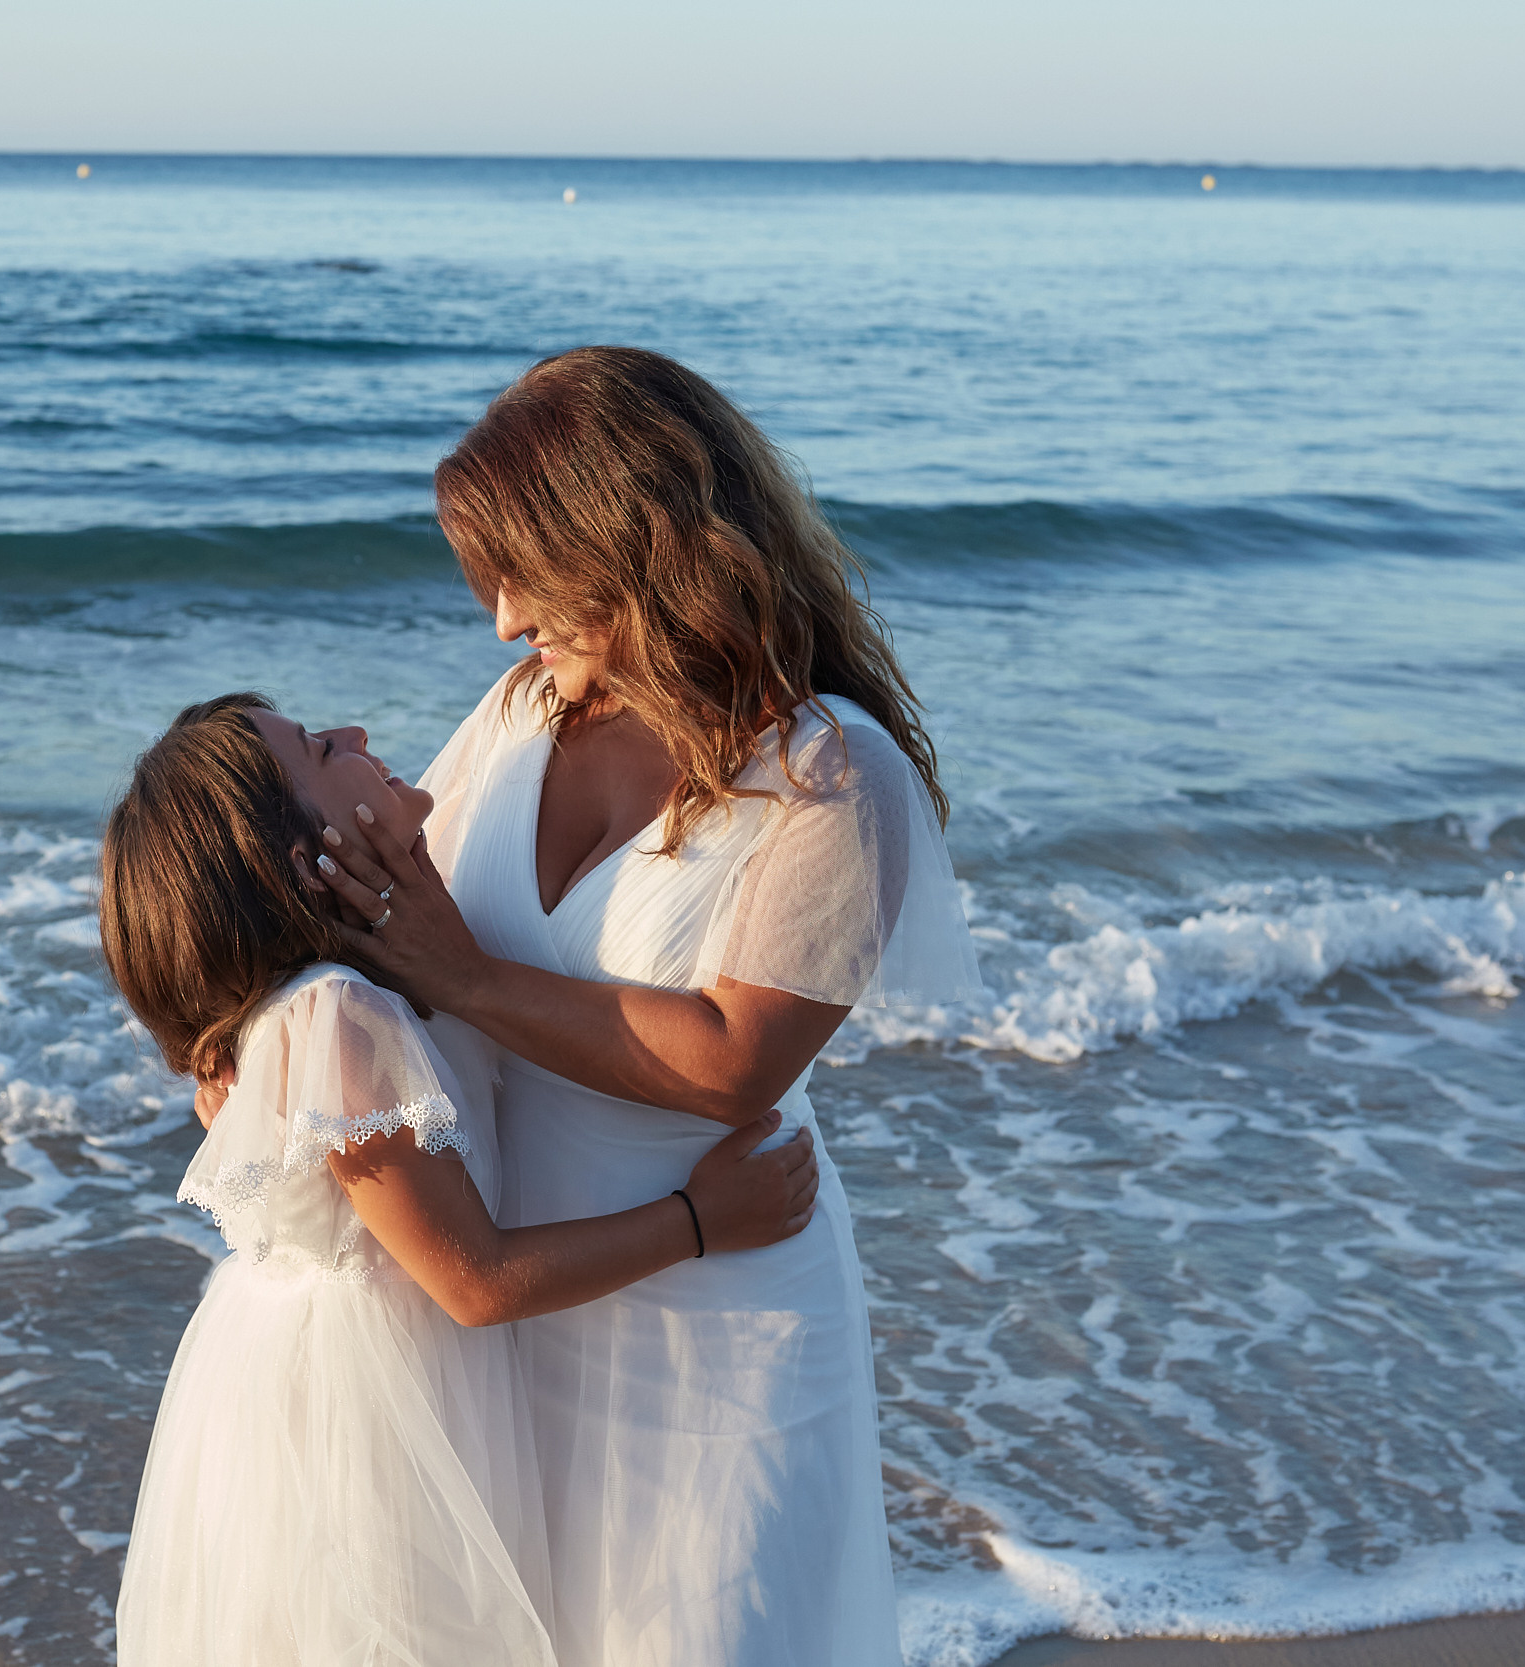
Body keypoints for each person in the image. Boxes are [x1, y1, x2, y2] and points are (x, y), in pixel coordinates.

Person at [312, 347, 982, 1667]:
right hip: (524, 1296)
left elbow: (735, 1057)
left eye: (526, 571)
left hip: (728, 1310)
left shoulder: (826, 774)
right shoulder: (519, 715)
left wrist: (470, 977)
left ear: (643, 538)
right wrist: (229, 1030)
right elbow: (379, 916)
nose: (502, 619)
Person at [100, 691, 824, 1667]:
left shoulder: (360, 989)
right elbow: (471, 1280)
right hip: (366, 1426)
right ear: (306, 857)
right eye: (322, 747)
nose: (356, 732)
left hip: (377, 1386)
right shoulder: (336, 1018)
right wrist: (698, 1218)